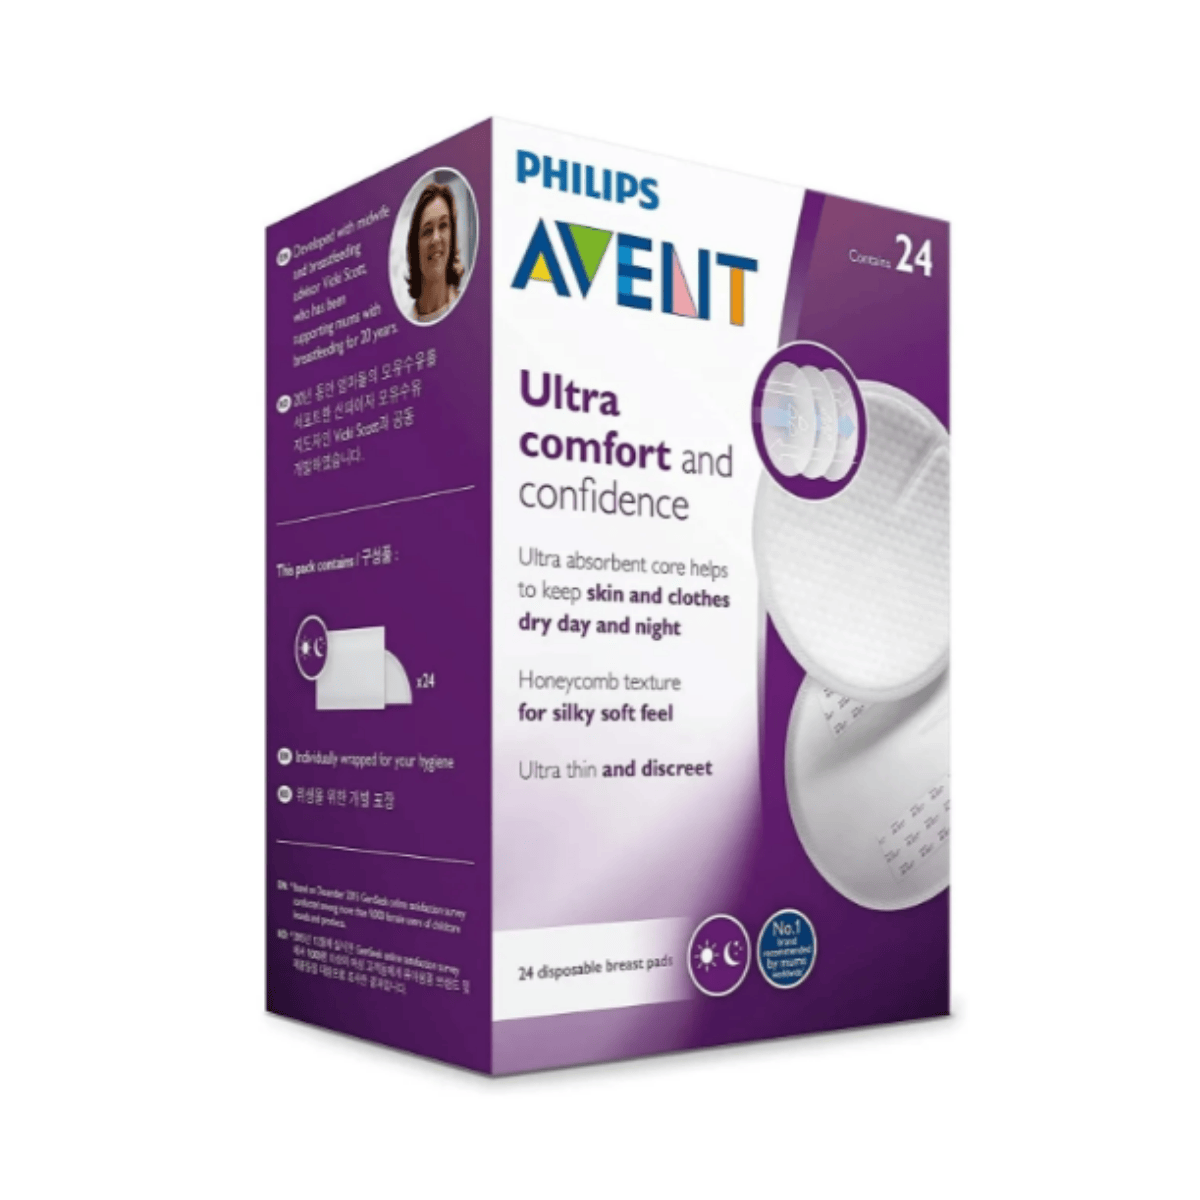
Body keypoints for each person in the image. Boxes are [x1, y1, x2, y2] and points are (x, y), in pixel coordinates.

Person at [406, 182, 464, 323]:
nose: (436, 238)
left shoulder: (470, 309)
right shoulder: (404, 322)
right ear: (415, 247)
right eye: (427, 231)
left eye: (443, 225)